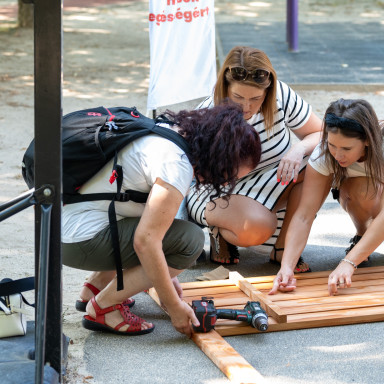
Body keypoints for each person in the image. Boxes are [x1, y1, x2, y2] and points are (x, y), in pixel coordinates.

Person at [62, 103, 261, 336]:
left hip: (62, 224)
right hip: (77, 240)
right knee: (190, 241)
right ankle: (103, 307)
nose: (226, 184)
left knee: (165, 235)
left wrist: (164, 277)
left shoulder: (170, 132)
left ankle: (94, 289)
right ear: (221, 161)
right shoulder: (176, 166)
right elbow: (146, 242)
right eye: (231, 176)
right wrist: (174, 306)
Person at [269, 98, 384, 296]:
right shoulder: (323, 154)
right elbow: (304, 215)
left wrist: (348, 263)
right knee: (366, 191)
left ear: (367, 139)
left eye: (346, 148)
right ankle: (363, 235)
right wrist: (286, 267)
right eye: (332, 145)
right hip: (359, 191)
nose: (338, 155)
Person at [186, 46, 322, 272]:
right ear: (225, 87)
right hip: (217, 190)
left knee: (320, 161)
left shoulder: (281, 95)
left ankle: (283, 247)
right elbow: (189, 173)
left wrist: (298, 149)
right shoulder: (209, 111)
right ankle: (220, 230)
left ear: (267, 92)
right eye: (238, 97)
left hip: (269, 178)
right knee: (257, 227)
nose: (246, 107)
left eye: (256, 98)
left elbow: (321, 133)